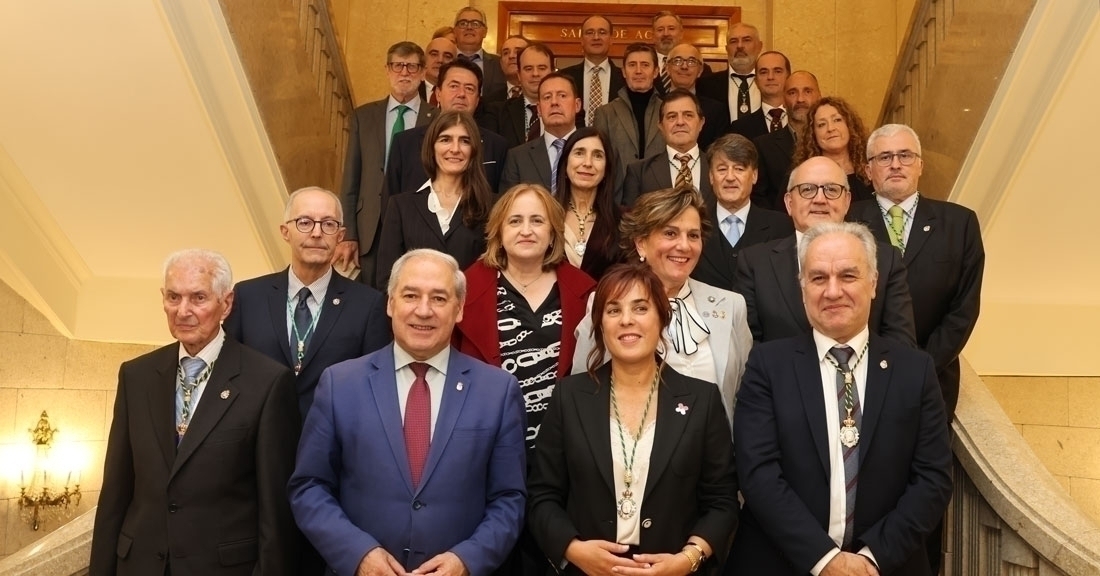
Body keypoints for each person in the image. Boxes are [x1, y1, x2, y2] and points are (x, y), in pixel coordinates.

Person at [727, 222, 952, 576]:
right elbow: (758, 474)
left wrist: (871, 559)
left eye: (848, 276)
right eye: (818, 278)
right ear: (802, 288)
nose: (833, 291)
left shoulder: (915, 370)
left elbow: (933, 478)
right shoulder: (769, 366)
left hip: (886, 566)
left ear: (874, 283)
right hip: (781, 563)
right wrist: (825, 559)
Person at [289, 249, 526, 576]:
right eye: (411, 295)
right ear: (390, 304)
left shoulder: (498, 391)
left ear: (459, 310)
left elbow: (509, 499)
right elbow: (309, 487)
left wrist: (467, 560)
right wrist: (358, 555)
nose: (423, 310)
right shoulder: (340, 384)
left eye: (439, 298)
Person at [91, 249, 300, 576]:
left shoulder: (268, 382)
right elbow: (115, 494)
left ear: (226, 304)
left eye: (198, 298)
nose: (183, 311)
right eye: (173, 297)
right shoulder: (136, 376)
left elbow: (275, 515)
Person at [529, 264, 738, 576]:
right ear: (599, 324)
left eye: (640, 308)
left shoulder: (702, 401)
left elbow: (722, 503)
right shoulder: (568, 396)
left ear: (661, 318)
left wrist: (688, 559)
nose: (627, 320)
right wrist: (573, 550)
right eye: (613, 310)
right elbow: (541, 495)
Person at [850, 121, 984, 576]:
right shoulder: (848, 223)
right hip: (855, 379)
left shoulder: (959, 222)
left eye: (904, 155)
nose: (895, 164)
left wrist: (917, 368)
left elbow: (963, 310)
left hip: (932, 381)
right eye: (884, 158)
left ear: (921, 164)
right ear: (867, 169)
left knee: (922, 490)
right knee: (861, 485)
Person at [572, 187, 752, 427]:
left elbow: (743, 395)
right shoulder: (606, 303)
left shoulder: (731, 306)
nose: (684, 246)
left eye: (693, 235)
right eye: (670, 233)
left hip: (713, 455)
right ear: (641, 244)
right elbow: (582, 389)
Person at [225, 187, 390, 418]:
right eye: (305, 222)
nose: (316, 233)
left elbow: (374, 386)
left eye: (328, 224)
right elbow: (228, 374)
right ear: (285, 232)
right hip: (257, 441)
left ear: (340, 235)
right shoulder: (248, 296)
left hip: (332, 443)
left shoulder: (368, 304)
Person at [735, 156, 917, 346]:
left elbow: (900, 346)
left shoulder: (886, 260)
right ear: (789, 203)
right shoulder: (755, 263)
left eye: (831, 190)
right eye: (807, 190)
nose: (820, 199)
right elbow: (748, 348)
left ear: (847, 201)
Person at [336, 41, 435, 286]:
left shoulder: (437, 119)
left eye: (412, 67)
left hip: (416, 222)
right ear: (387, 70)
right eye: (398, 66)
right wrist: (348, 233)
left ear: (423, 73)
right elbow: (351, 177)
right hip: (370, 225)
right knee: (367, 297)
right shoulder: (364, 116)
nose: (404, 73)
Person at [377, 110, 493, 288]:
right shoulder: (401, 207)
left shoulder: (492, 207)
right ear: (431, 147)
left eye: (465, 141)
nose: (455, 149)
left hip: (470, 311)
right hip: (413, 313)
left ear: (474, 149)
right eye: (445, 139)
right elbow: (387, 281)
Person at [384, 59, 509, 198]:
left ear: (478, 99)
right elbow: (389, 202)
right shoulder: (405, 143)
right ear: (438, 93)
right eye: (454, 86)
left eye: (469, 89)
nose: (461, 94)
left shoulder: (497, 146)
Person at [692, 134, 794, 291]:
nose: (730, 177)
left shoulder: (782, 226)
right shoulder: (694, 226)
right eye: (722, 169)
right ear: (711, 177)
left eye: (739, 169)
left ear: (754, 176)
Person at [592, 43, 665, 198]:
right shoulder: (605, 113)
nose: (638, 71)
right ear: (624, 72)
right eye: (632, 65)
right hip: (617, 202)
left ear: (656, 72)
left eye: (645, 65)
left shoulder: (668, 112)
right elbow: (598, 160)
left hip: (661, 201)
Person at [554, 127, 624, 279]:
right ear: (565, 163)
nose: (587, 163)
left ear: (607, 169)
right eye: (579, 153)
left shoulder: (623, 221)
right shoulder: (544, 215)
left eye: (597, 156)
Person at [622, 89, 714, 206]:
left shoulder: (718, 168)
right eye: (672, 117)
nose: (680, 122)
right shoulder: (639, 173)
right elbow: (630, 221)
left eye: (688, 115)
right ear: (660, 126)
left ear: (701, 123)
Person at [500, 72, 582, 193]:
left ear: (577, 105)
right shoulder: (517, 157)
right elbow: (508, 206)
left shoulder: (596, 152)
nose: (554, 102)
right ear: (539, 109)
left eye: (562, 96)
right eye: (547, 97)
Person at [752, 70, 821, 210]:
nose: (800, 99)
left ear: (819, 97)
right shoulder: (763, 146)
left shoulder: (832, 142)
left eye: (807, 91)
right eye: (792, 93)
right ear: (783, 100)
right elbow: (758, 198)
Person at [793, 96, 874, 202]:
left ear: (849, 126)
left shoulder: (872, 169)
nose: (830, 128)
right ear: (813, 134)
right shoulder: (801, 175)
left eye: (837, 120)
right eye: (822, 124)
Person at [487, 42, 554, 149]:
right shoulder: (497, 113)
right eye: (528, 69)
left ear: (552, 72)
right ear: (519, 75)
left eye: (542, 68)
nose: (535, 74)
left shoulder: (569, 111)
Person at [559, 15, 624, 126]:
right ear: (582, 40)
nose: (596, 37)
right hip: (574, 141)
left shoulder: (625, 78)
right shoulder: (563, 77)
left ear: (611, 39)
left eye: (602, 32)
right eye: (590, 33)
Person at [663, 43, 729, 150]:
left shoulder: (716, 111)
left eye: (691, 61)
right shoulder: (655, 106)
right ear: (667, 68)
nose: (684, 66)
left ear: (700, 71)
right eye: (677, 61)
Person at [699, 22, 764, 121]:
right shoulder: (706, 85)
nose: (740, 46)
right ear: (726, 49)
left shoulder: (771, 82)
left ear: (759, 46)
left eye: (746, 40)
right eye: (733, 41)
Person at [726, 51, 790, 140]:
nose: (770, 77)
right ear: (756, 80)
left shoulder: (804, 119)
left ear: (788, 77)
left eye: (777, 71)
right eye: (764, 72)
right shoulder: (740, 128)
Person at [453, 6, 507, 98]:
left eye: (475, 24)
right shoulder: (445, 60)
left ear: (485, 32)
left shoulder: (500, 64)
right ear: (455, 31)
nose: (469, 27)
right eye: (463, 23)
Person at [422, 36, 458, 105]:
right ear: (424, 59)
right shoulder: (411, 90)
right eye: (434, 54)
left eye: (447, 56)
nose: (440, 60)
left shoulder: (459, 94)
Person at [493, 34, 529, 102]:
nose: (511, 56)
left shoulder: (542, 95)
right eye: (506, 53)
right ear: (501, 63)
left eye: (518, 52)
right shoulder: (490, 101)